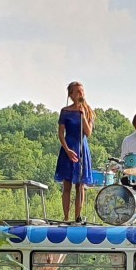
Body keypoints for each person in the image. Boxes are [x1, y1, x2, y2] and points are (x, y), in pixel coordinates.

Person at [55, 80, 95, 223]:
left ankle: (77, 217)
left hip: (82, 149)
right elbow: (60, 134)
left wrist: (83, 115)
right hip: (68, 148)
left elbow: (88, 133)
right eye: (77, 91)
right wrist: (67, 150)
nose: (81, 94)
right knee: (67, 185)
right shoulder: (65, 112)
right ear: (71, 95)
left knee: (80, 185)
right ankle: (66, 217)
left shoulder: (89, 112)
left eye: (82, 91)